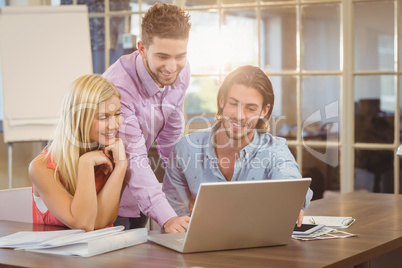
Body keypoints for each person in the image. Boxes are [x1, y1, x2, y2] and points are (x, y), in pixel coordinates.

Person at [163, 65, 313, 227]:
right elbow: (174, 212)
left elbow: (291, 182)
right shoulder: (186, 149)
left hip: (257, 245)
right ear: (222, 100)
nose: (240, 116)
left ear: (264, 110)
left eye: (251, 108)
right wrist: (176, 224)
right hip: (200, 245)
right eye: (234, 104)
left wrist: (290, 200)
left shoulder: (274, 149)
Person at [102, 3, 191, 233]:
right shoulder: (119, 87)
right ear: (142, 48)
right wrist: (168, 218)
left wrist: (184, 193)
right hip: (105, 196)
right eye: (162, 56)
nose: (172, 67)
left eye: (180, 56)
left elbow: (171, 139)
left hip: (141, 197)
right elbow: (134, 159)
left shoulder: (181, 71)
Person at [29, 74, 127, 231]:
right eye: (103, 118)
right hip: (52, 255)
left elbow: (101, 222)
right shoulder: (41, 167)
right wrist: (86, 163)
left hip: (99, 252)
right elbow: (84, 224)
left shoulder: (111, 157)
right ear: (79, 119)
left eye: (117, 114)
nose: (114, 125)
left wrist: (121, 166)